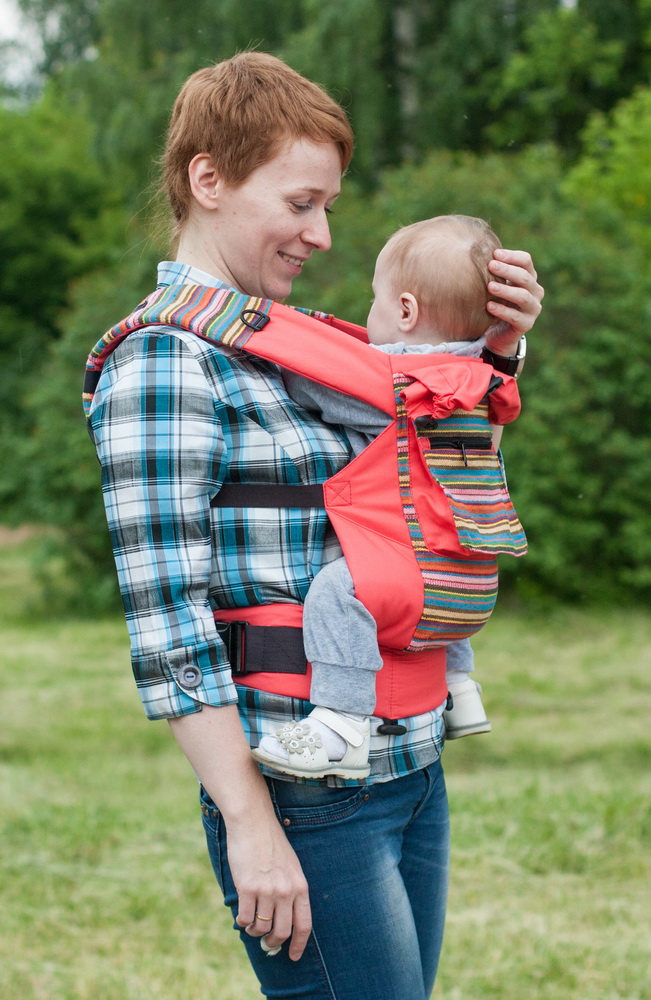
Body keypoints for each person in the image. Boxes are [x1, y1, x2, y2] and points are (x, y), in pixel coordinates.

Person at [85, 52, 543, 1000]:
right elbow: (167, 627)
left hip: (410, 764)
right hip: (306, 802)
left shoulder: (308, 347)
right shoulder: (166, 367)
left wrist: (498, 345)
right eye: (300, 205)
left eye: (326, 206)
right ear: (207, 179)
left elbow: (429, 468)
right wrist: (251, 826)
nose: (323, 234)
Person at [254, 214, 517, 780]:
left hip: (414, 586)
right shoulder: (477, 378)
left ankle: (340, 725)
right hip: (471, 583)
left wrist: (266, 349)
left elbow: (316, 386)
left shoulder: (402, 384)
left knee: (337, 592)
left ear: (404, 311)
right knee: (437, 552)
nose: (365, 315)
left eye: (372, 302)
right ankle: (460, 689)